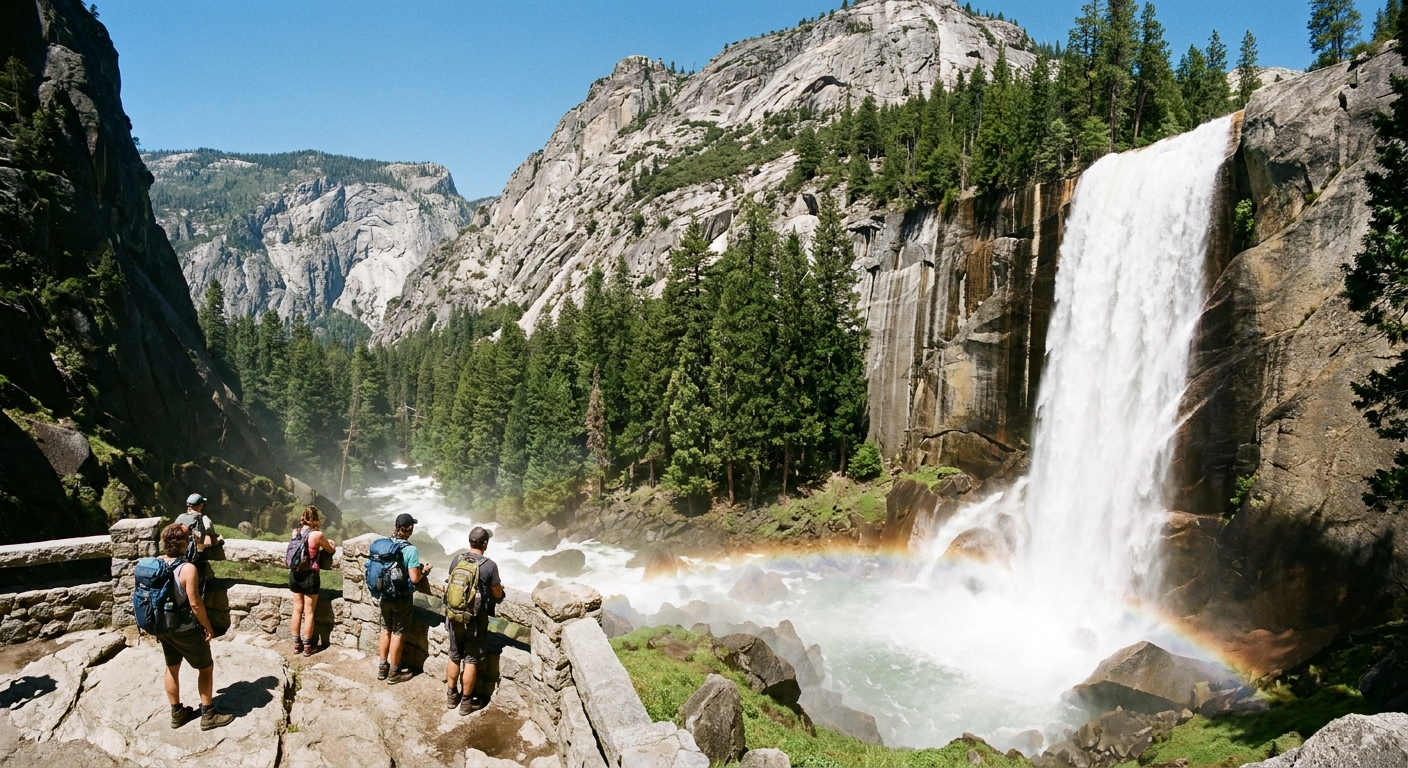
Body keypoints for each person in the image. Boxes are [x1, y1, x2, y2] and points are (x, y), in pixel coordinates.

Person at [157, 522, 234, 731]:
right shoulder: (187, 569)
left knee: (172, 668)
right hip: (184, 628)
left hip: (163, 627)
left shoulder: (155, 563)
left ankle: (177, 712)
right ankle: (208, 714)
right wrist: (207, 626)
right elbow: (195, 603)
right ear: (184, 544)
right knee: (205, 667)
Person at [444, 526, 504, 715]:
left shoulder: (457, 559)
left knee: (454, 655)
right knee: (470, 660)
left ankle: (452, 696)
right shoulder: (489, 565)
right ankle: (467, 703)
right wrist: (500, 588)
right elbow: (497, 593)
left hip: (454, 616)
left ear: (470, 541)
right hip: (475, 621)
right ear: (485, 543)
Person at [377, 513, 432, 684]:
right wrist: (425, 571)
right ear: (408, 529)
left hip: (384, 594)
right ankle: (394, 673)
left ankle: (382, 668)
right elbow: (415, 578)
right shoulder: (410, 550)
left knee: (385, 630)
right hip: (401, 597)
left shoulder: (385, 544)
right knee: (398, 633)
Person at [289, 506, 337, 656]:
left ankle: (297, 645)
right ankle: (308, 647)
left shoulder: (295, 532)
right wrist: (332, 544)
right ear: (316, 518)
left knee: (297, 609)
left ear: (303, 517)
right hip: (310, 576)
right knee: (309, 612)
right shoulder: (317, 535)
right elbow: (330, 550)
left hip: (295, 574)